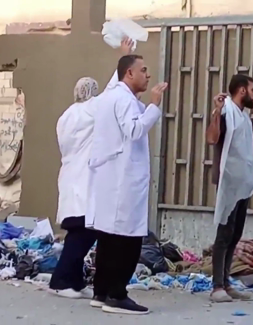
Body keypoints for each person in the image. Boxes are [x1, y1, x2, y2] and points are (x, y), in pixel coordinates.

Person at [49, 38, 135, 299]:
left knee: (79, 231)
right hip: (84, 180)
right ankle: (61, 281)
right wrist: (124, 57)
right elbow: (111, 93)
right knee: (83, 233)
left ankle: (75, 281)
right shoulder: (89, 111)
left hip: (70, 178)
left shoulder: (66, 116)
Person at [86, 54, 168, 315]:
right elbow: (133, 130)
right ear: (128, 74)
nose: (148, 75)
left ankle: (101, 291)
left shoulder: (112, 97)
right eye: (143, 70)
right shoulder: (123, 99)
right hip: (124, 180)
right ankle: (117, 294)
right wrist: (154, 106)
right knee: (128, 239)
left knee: (109, 237)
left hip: (113, 179)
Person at [205, 74, 253, 303]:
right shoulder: (226, 112)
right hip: (228, 180)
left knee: (235, 233)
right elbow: (212, 139)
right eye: (252, 90)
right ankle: (217, 286)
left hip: (243, 181)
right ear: (242, 91)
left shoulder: (243, 116)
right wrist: (215, 112)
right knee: (224, 233)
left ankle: (226, 281)